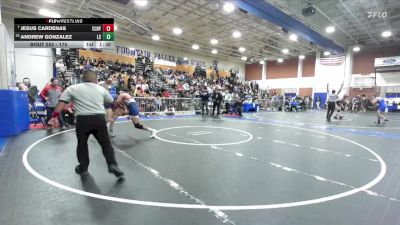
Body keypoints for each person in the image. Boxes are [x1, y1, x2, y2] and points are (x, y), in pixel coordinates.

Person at [48, 70, 124, 178]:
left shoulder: (73, 88)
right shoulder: (101, 89)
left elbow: (61, 103)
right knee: (105, 143)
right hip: (99, 119)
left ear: (83, 79)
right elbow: (111, 101)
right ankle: (112, 164)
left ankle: (83, 168)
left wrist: (54, 117)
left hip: (83, 120)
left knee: (82, 144)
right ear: (95, 79)